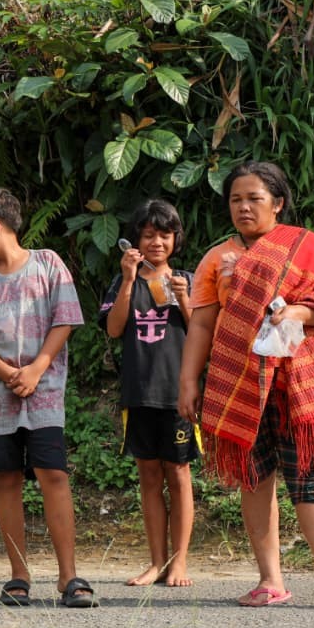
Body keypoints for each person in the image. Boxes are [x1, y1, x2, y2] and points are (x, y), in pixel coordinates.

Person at [177, 161, 314, 609]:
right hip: (238, 380)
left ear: (278, 203)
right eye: (235, 199)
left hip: (296, 380)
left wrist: (301, 313)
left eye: (254, 198)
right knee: (255, 478)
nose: (244, 207)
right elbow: (202, 323)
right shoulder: (215, 258)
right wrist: (189, 380)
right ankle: (270, 580)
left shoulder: (308, 250)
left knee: (310, 478)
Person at [0, 188, 96, 609]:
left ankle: (68, 577)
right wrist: (9, 373)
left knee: (54, 474)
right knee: (6, 479)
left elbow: (65, 320)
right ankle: (19, 575)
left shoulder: (49, 264)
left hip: (45, 392)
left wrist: (36, 370)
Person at [99, 199, 198, 588]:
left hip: (178, 396)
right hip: (139, 394)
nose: (157, 242)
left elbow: (201, 334)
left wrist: (184, 297)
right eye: (149, 235)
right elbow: (113, 329)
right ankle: (156, 562)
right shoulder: (124, 280)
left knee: (179, 474)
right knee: (149, 478)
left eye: (165, 235)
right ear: (137, 240)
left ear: (176, 239)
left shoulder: (188, 280)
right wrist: (127, 280)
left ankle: (179, 563)